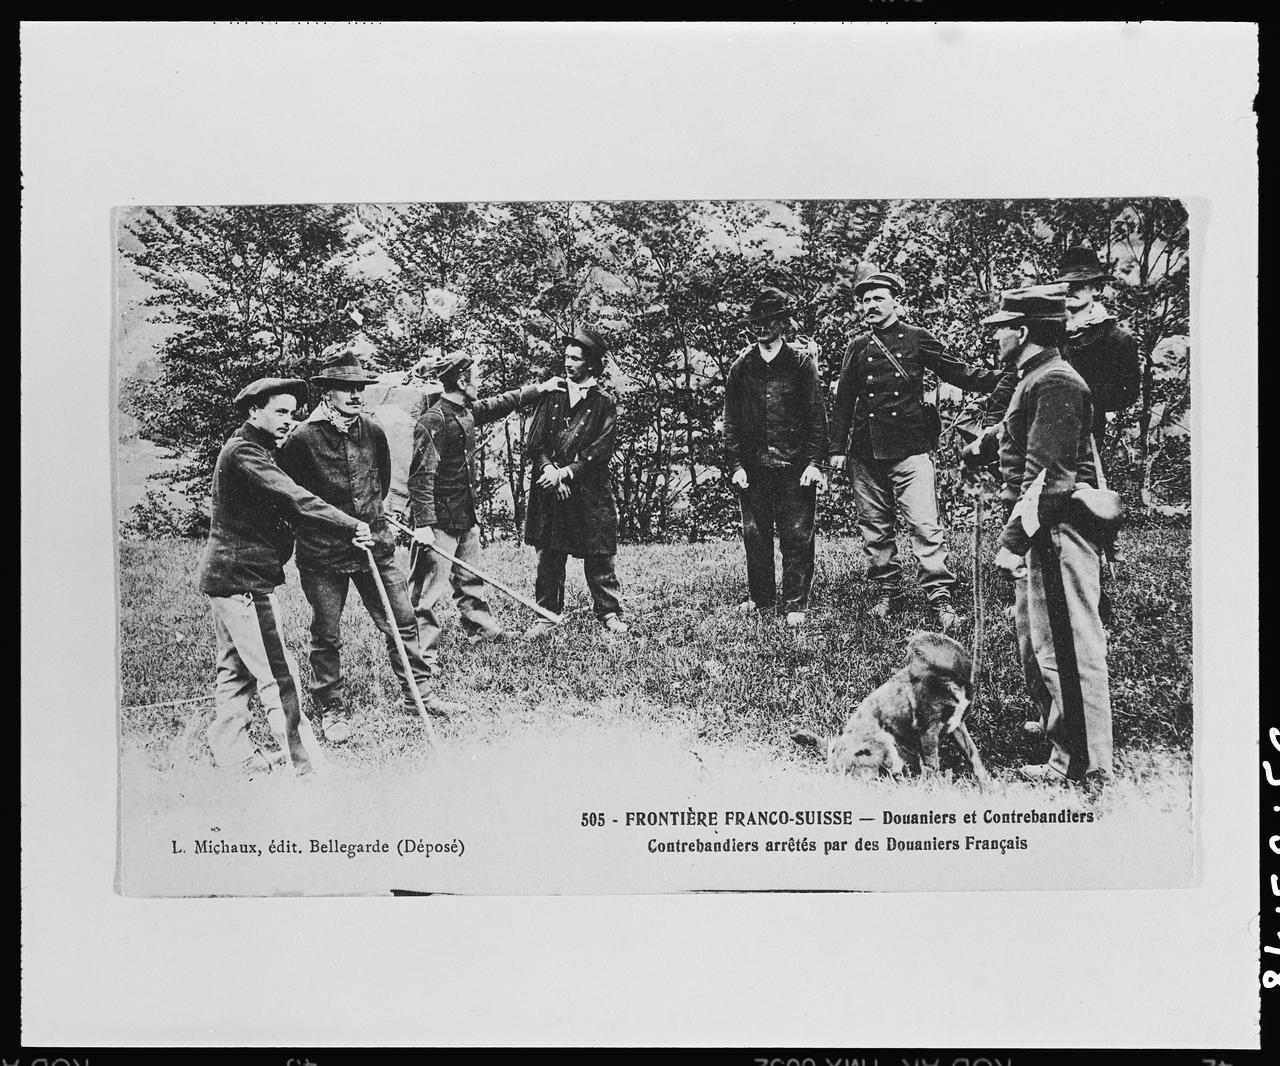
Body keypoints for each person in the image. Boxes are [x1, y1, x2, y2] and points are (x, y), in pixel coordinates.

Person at [965, 289, 1114, 787]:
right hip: (1041, 525)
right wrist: (986, 442)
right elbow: (1024, 431)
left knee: (1066, 647)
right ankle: (1060, 725)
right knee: (1038, 639)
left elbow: (1047, 477)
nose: (994, 334)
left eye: (1000, 326)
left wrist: (1011, 542)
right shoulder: (1036, 377)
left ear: (1023, 333)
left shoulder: (1055, 382)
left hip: (1056, 527)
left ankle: (1080, 760)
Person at [278, 351, 462, 743]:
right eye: (347, 388)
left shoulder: (373, 431)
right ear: (327, 392)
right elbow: (293, 500)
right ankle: (332, 707)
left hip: (376, 547)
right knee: (326, 633)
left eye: (360, 388)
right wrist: (339, 528)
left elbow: (378, 481)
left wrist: (374, 522)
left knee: (402, 619)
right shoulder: (301, 440)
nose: (356, 395)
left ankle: (419, 696)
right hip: (323, 555)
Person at [196, 377, 374, 778]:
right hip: (244, 581)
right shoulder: (246, 452)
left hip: (227, 578)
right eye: (279, 411)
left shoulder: (255, 449)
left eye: (292, 413)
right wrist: (350, 523)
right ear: (252, 412)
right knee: (278, 675)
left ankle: (235, 756)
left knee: (235, 671)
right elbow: (295, 497)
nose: (287, 420)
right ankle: (307, 763)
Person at [828, 271, 1001, 633]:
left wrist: (1007, 378)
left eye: (878, 298)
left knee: (924, 525)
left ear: (897, 301)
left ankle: (939, 594)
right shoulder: (857, 347)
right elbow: (844, 400)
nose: (870, 305)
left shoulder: (917, 338)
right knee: (874, 528)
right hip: (865, 450)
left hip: (909, 446)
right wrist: (837, 448)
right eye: (865, 300)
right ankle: (888, 591)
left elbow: (960, 373)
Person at [406, 351, 565, 660]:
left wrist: (540, 389)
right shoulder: (433, 420)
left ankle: (484, 633)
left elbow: (497, 404)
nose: (480, 384)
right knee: (427, 594)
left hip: (463, 514)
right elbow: (420, 477)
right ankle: (421, 656)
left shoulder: (463, 410)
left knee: (470, 581)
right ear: (463, 382)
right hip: (437, 520)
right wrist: (423, 525)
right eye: (476, 378)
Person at [722, 287, 829, 627]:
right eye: (756, 322)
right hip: (754, 469)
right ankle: (761, 597)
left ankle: (796, 602)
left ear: (782, 323)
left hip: (795, 467)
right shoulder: (742, 367)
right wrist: (736, 465)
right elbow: (731, 422)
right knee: (755, 534)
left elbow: (816, 417)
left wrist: (815, 463)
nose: (762, 328)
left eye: (769, 321)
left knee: (797, 535)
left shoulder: (801, 363)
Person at [522, 328, 626, 638]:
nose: (568, 364)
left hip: (589, 491)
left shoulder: (604, 402)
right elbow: (535, 442)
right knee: (549, 555)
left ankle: (608, 611)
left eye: (576, 359)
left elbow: (600, 450)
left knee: (599, 555)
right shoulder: (552, 394)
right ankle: (546, 614)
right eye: (566, 357)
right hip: (550, 488)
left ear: (591, 365)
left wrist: (565, 473)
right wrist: (551, 472)